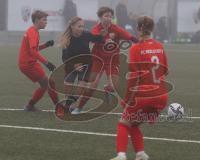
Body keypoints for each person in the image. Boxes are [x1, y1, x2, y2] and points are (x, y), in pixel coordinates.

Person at [110, 16, 168, 160]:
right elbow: (165, 71)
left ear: (138, 28)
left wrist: (127, 99)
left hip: (144, 95)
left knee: (123, 123)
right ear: (152, 28)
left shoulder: (136, 48)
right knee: (134, 123)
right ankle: (140, 153)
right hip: (161, 95)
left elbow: (134, 78)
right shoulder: (159, 46)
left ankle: (121, 155)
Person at [71, 6, 138, 115]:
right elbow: (96, 36)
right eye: (106, 16)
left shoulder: (116, 29)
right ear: (100, 17)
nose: (109, 18)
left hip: (113, 61)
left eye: (110, 16)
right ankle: (79, 108)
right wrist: (107, 38)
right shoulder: (96, 28)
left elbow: (130, 37)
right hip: (98, 60)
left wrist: (142, 43)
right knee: (92, 86)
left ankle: (107, 89)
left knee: (115, 86)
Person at [18, 10, 59, 111]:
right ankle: (58, 107)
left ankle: (30, 106)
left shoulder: (33, 31)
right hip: (28, 64)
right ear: (37, 20)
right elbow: (33, 52)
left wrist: (46, 45)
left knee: (47, 84)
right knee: (48, 83)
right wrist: (47, 63)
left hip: (30, 63)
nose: (46, 22)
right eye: (44, 20)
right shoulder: (32, 32)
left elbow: (33, 50)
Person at [60, 16, 104, 108]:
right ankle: (68, 103)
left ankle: (70, 103)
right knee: (68, 84)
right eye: (79, 26)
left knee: (81, 86)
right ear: (72, 26)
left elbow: (98, 39)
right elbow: (64, 58)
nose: (81, 29)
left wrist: (103, 35)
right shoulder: (67, 39)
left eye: (82, 26)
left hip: (85, 64)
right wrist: (74, 66)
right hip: (71, 64)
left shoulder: (86, 34)